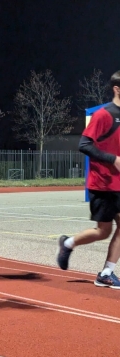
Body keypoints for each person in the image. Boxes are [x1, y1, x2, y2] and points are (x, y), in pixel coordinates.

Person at [57, 70, 120, 288]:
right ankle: (68, 243)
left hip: (118, 183)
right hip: (103, 183)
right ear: (117, 89)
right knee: (103, 231)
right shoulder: (104, 115)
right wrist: (113, 159)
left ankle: (106, 272)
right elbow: (83, 144)